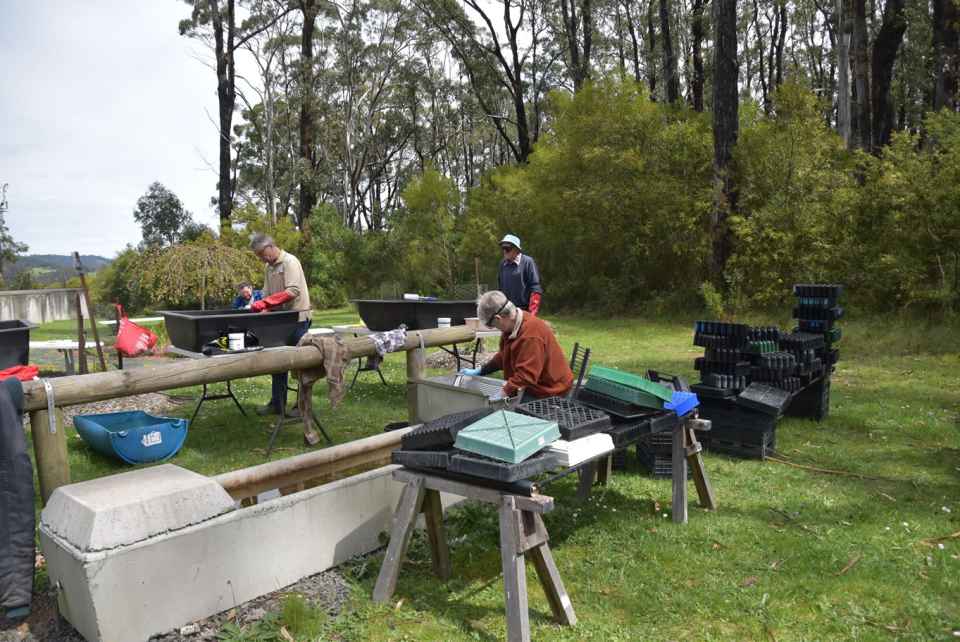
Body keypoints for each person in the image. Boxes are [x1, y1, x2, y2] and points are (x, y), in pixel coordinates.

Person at [459, 290, 572, 400]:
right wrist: (481, 370)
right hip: (535, 385)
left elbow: (526, 376)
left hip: (551, 391)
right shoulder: (512, 326)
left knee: (500, 412)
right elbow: (504, 356)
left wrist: (504, 393)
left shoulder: (530, 336)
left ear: (499, 319)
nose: (495, 328)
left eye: (492, 325)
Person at [249, 233, 312, 416]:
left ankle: (302, 407)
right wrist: (263, 307)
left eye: (261, 254)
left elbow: (292, 291)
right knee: (277, 362)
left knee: (302, 365)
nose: (261, 259)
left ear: (270, 247)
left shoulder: (290, 262)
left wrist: (267, 304)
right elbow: (267, 293)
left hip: (298, 320)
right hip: (279, 321)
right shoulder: (268, 268)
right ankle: (277, 404)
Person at [497, 234, 543, 316]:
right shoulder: (502, 264)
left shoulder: (528, 262)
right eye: (503, 248)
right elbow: (500, 288)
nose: (504, 251)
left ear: (516, 249)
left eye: (507, 249)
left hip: (524, 311)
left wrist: (532, 314)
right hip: (507, 310)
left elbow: (535, 288)